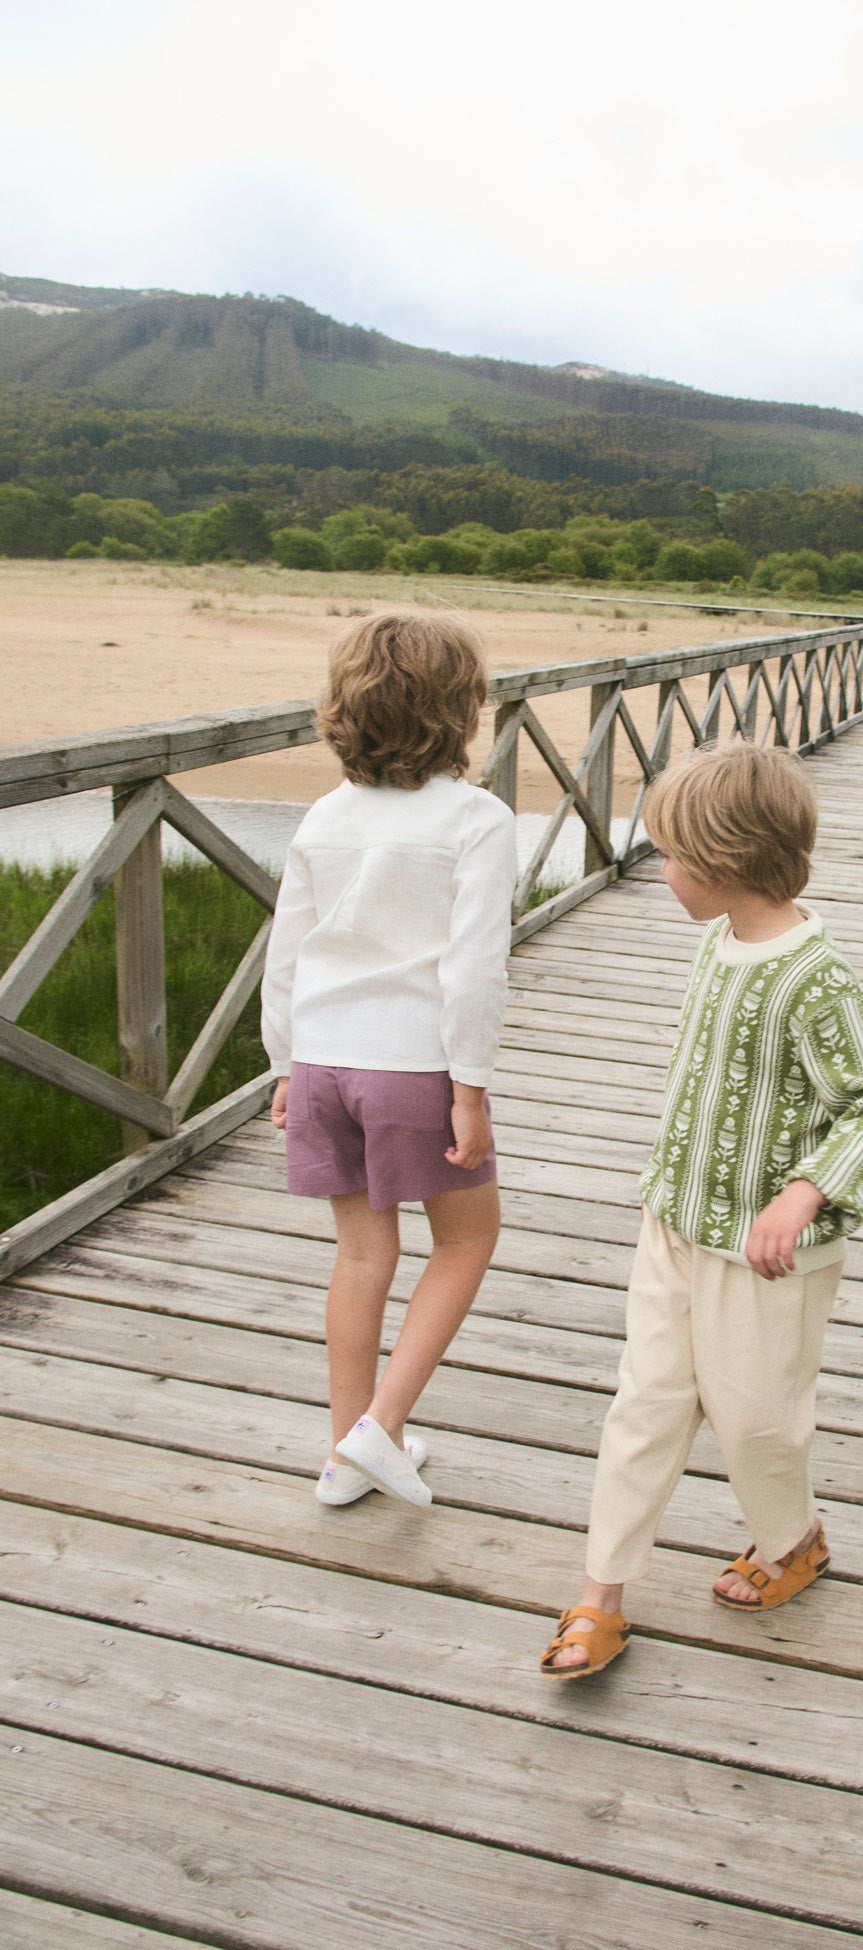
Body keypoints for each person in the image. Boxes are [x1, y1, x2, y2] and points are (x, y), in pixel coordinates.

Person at [540, 742, 863, 1678]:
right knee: (647, 1404)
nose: (659, 870)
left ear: (726, 863)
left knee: (755, 1420)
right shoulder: (721, 941)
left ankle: (793, 1540)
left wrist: (801, 1194)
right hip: (673, 1221)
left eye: (669, 856)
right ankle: (601, 1594)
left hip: (761, 1256)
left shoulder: (813, 978)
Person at [260, 609, 515, 1509]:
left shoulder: (325, 816)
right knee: (468, 1240)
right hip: (415, 1067)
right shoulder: (476, 819)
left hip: (325, 1060)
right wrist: (471, 1089)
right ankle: (382, 1428)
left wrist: (286, 1064)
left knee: (361, 1254)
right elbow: (474, 967)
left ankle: (345, 1453)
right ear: (462, 710)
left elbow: (286, 951)